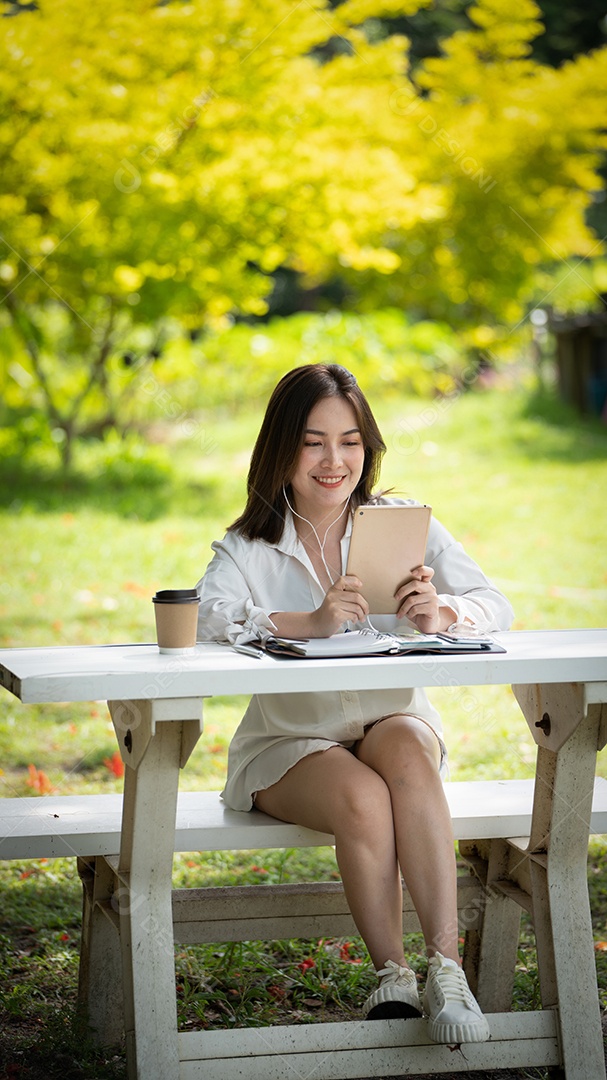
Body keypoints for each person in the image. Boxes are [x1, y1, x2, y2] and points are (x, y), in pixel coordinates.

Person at [196, 363, 514, 1042]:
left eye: (349, 441)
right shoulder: (248, 546)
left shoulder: (401, 523)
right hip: (290, 743)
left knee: (402, 744)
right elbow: (205, 615)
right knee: (364, 797)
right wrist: (301, 621)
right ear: (280, 448)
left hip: (389, 724)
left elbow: (494, 604)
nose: (333, 460)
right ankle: (392, 975)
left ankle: (446, 971)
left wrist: (440, 612)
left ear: (366, 447)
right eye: (313, 442)